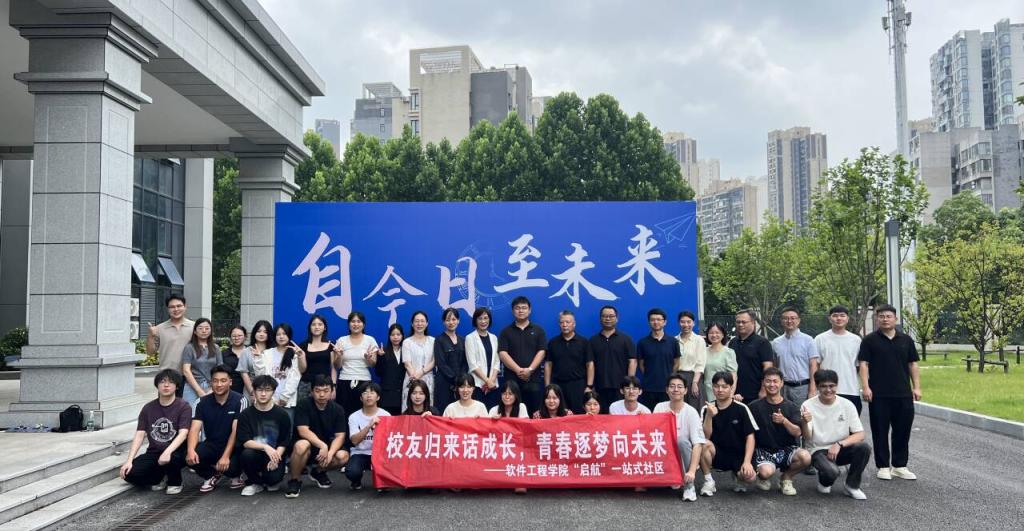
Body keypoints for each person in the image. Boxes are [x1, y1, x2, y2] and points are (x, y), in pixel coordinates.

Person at [858, 304, 921, 481]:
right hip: (879, 394)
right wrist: (865, 387)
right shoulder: (869, 340)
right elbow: (864, 364)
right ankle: (883, 466)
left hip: (903, 393)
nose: (885, 319)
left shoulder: (906, 340)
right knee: (880, 430)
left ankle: (899, 466)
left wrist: (917, 387)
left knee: (903, 430)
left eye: (888, 316)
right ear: (876, 319)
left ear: (895, 319)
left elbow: (912, 364)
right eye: (881, 316)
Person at [802, 369, 872, 500]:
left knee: (864, 448)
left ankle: (852, 486)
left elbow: (860, 434)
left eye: (832, 386)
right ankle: (824, 481)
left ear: (837, 385)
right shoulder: (808, 405)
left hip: (840, 448)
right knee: (832, 472)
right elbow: (807, 437)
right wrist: (804, 422)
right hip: (818, 450)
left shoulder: (847, 405)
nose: (828, 390)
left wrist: (839, 444)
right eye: (823, 386)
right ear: (817, 387)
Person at [120, 369, 191, 494]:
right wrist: (129, 461)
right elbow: (140, 434)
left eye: (170, 382)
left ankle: (175, 482)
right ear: (157, 385)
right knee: (129, 474)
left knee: (172, 458)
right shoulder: (148, 408)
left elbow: (183, 433)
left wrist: (167, 452)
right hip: (155, 451)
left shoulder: (183, 406)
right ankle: (160, 477)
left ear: (177, 386)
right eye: (162, 382)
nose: (166, 385)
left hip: (177, 450)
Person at [747, 368, 812, 496]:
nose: (772, 384)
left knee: (805, 457)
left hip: (786, 448)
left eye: (775, 381)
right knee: (766, 473)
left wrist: (784, 421)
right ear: (763, 383)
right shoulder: (754, 406)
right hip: (763, 450)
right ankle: (762, 477)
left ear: (782, 383)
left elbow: (797, 432)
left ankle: (786, 478)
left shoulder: (791, 406)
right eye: (768, 381)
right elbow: (747, 433)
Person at [285, 375, 350, 498]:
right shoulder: (303, 404)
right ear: (311, 391)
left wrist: (330, 453)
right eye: (318, 391)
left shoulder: (338, 409)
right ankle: (294, 480)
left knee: (343, 456)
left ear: (332, 391)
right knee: (302, 445)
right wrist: (322, 445)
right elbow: (303, 430)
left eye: (326, 391)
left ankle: (318, 471)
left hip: (324, 450)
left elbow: (340, 436)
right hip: (307, 446)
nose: (322, 394)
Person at [186, 365, 247, 492]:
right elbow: (194, 430)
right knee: (189, 457)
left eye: (223, 381)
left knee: (232, 467)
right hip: (212, 444)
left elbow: (235, 431)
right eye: (215, 381)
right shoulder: (201, 402)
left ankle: (236, 475)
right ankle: (211, 475)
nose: (219, 384)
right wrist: (191, 450)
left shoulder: (240, 400)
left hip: (234, 447)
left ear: (230, 382)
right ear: (210, 383)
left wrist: (225, 456)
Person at [699, 372, 757, 496]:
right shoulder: (706, 408)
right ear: (712, 388)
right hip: (717, 453)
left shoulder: (742, 408)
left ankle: (738, 477)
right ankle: (708, 481)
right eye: (716, 386)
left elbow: (750, 437)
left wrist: (747, 462)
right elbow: (705, 437)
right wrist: (709, 416)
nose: (720, 390)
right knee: (703, 444)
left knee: (750, 477)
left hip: (739, 454)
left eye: (724, 386)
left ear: (731, 388)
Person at [236, 375, 292, 496]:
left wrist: (276, 457)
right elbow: (245, 441)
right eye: (259, 390)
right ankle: (254, 483)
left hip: (274, 454)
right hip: (255, 453)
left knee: (273, 482)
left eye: (267, 390)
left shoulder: (281, 414)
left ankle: (269, 479)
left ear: (273, 392)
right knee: (247, 454)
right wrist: (265, 447)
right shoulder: (245, 414)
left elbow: (284, 441)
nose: (263, 394)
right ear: (254, 391)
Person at [654, 373, 706, 502]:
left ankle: (689, 486)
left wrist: (692, 471)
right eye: (672, 386)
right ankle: (669, 477)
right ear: (667, 390)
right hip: (664, 454)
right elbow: (652, 435)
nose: (675, 389)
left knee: (681, 440)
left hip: (683, 456)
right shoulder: (660, 407)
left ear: (686, 390)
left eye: (679, 386)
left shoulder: (691, 412)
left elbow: (698, 444)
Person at [499, 296, 547, 416]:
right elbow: (502, 353)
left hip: (533, 379)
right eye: (517, 308)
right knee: (512, 412)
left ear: (529, 310)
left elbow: (542, 351)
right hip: (512, 380)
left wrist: (529, 370)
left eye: (524, 308)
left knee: (534, 412)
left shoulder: (538, 330)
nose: (521, 310)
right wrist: (518, 370)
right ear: (513, 311)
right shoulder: (506, 332)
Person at [815, 305, 863, 414]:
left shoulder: (856, 340)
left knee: (851, 422)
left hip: (850, 389)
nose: (839, 318)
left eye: (842, 315)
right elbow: (816, 365)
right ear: (829, 318)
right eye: (835, 315)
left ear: (847, 318)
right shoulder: (820, 339)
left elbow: (859, 366)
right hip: (827, 389)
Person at [544, 310, 594, 414]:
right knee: (559, 414)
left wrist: (589, 386)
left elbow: (590, 364)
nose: (564, 325)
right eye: (562, 322)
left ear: (574, 324)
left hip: (578, 384)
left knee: (578, 413)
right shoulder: (553, 342)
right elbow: (548, 365)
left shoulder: (584, 342)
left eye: (567, 322)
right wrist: (547, 386)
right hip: (558, 385)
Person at [589, 305, 637, 413]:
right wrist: (590, 386)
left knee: (618, 417)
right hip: (599, 387)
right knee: (602, 418)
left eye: (611, 316)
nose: (608, 319)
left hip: (620, 387)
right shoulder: (593, 341)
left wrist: (629, 383)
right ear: (600, 318)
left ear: (617, 318)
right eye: (605, 316)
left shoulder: (626, 339)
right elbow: (590, 364)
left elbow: (632, 361)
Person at [346, 382, 391, 491]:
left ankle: (382, 482)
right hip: (360, 453)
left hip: (380, 453)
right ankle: (356, 481)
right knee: (352, 472)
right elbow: (354, 441)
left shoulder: (386, 415)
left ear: (378, 397)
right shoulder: (354, 417)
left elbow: (390, 440)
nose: (369, 395)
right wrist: (368, 426)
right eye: (365, 393)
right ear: (361, 398)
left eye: (372, 392)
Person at [333, 311, 379, 416]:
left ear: (364, 324)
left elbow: (373, 364)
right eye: (353, 321)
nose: (356, 324)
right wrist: (339, 356)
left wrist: (368, 358)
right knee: (343, 413)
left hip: (364, 382)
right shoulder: (342, 340)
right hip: (344, 381)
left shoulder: (370, 340)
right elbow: (337, 366)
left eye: (359, 321)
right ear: (349, 324)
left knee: (363, 413)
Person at [771, 307, 820, 402]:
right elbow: (775, 366)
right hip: (782, 388)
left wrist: (813, 389)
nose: (789, 321)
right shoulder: (776, 343)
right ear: (781, 321)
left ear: (798, 320)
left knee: (802, 412)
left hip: (803, 387)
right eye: (786, 318)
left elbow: (813, 365)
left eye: (793, 318)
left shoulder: (808, 340)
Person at [146, 295, 195, 389]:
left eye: (179, 306)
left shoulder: (194, 327)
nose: (176, 309)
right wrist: (151, 336)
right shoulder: (160, 328)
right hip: (166, 376)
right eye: (172, 307)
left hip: (190, 376)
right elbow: (150, 352)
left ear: (185, 307)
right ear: (167, 309)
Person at [637, 308, 681, 410]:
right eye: (652, 320)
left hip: (667, 388)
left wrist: (669, 376)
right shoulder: (642, 342)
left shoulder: (673, 342)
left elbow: (677, 363)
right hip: (648, 388)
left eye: (659, 319)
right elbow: (641, 365)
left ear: (664, 322)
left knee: (667, 415)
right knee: (649, 415)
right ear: (649, 322)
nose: (655, 322)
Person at [728, 310, 773, 402]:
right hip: (734, 393)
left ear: (753, 322)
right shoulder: (733, 342)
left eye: (744, 322)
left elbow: (768, 368)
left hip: (755, 394)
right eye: (738, 322)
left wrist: (763, 390)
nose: (740, 325)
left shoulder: (762, 342)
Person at [181, 318, 223, 408]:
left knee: (210, 413)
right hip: (192, 386)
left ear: (211, 331)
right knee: (190, 412)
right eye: (200, 328)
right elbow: (186, 371)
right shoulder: (189, 348)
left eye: (207, 328)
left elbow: (220, 370)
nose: (204, 331)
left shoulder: (216, 348)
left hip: (212, 386)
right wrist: (199, 390)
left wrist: (213, 388)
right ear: (195, 331)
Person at [265, 323, 303, 418]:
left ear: (289, 335)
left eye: (284, 334)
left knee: (287, 426)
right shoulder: (267, 353)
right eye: (278, 334)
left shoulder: (295, 354)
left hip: (287, 401)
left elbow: (295, 377)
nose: (281, 337)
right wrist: (271, 397)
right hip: (269, 399)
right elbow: (264, 375)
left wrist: (284, 397)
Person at [466, 307, 501, 410]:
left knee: (492, 413)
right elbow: (472, 364)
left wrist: (491, 381)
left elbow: (497, 361)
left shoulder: (494, 338)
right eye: (480, 318)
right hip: (477, 385)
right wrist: (487, 381)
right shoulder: (470, 338)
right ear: (475, 320)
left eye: (486, 318)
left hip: (493, 385)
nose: (483, 321)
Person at [434, 307, 469, 410]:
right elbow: (441, 363)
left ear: (458, 321)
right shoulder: (439, 340)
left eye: (454, 319)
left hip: (461, 384)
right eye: (448, 320)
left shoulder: (463, 340)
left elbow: (465, 362)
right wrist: (455, 379)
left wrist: (461, 379)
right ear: (444, 322)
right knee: (443, 410)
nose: (451, 322)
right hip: (444, 382)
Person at [299, 314, 334, 403]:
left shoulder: (331, 345)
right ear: (310, 328)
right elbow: (302, 370)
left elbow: (334, 368)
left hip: (325, 386)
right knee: (304, 409)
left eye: (320, 324)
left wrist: (333, 386)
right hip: (306, 385)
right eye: (313, 324)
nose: (316, 327)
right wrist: (300, 356)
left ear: (325, 327)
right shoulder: (303, 345)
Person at [675, 310, 707, 409]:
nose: (686, 325)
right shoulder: (674, 340)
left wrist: (695, 382)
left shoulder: (699, 340)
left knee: (695, 409)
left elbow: (700, 363)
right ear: (679, 323)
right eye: (683, 322)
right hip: (677, 378)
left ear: (694, 323)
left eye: (689, 322)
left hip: (694, 378)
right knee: (678, 408)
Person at [402, 311, 435, 405]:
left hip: (428, 379)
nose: (419, 324)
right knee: (410, 408)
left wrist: (422, 372)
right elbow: (407, 363)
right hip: (411, 379)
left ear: (427, 323)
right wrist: (414, 377)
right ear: (412, 324)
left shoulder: (433, 341)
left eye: (422, 321)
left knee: (427, 407)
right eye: (416, 321)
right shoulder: (407, 342)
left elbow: (434, 361)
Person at [376, 324, 407, 415]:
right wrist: (380, 357)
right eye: (393, 335)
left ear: (402, 336)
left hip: (403, 394)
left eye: (398, 334)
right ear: (389, 336)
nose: (395, 337)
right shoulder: (383, 351)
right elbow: (378, 373)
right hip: (387, 396)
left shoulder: (407, 350)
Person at [702, 323, 737, 401]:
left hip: (722, 391)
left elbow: (733, 375)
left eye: (717, 332)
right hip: (706, 391)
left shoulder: (729, 352)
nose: (714, 335)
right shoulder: (703, 351)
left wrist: (731, 394)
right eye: (711, 333)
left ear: (723, 335)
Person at [237, 320, 272, 399]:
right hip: (251, 389)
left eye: (265, 332)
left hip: (270, 389)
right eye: (258, 331)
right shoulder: (246, 351)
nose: (261, 334)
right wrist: (253, 392)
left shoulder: (272, 351)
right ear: (254, 333)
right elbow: (244, 374)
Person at [222, 325, 248, 395]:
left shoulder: (251, 352)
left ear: (245, 337)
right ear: (230, 337)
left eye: (239, 335)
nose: (236, 338)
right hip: (231, 391)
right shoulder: (224, 354)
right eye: (234, 336)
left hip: (249, 389)